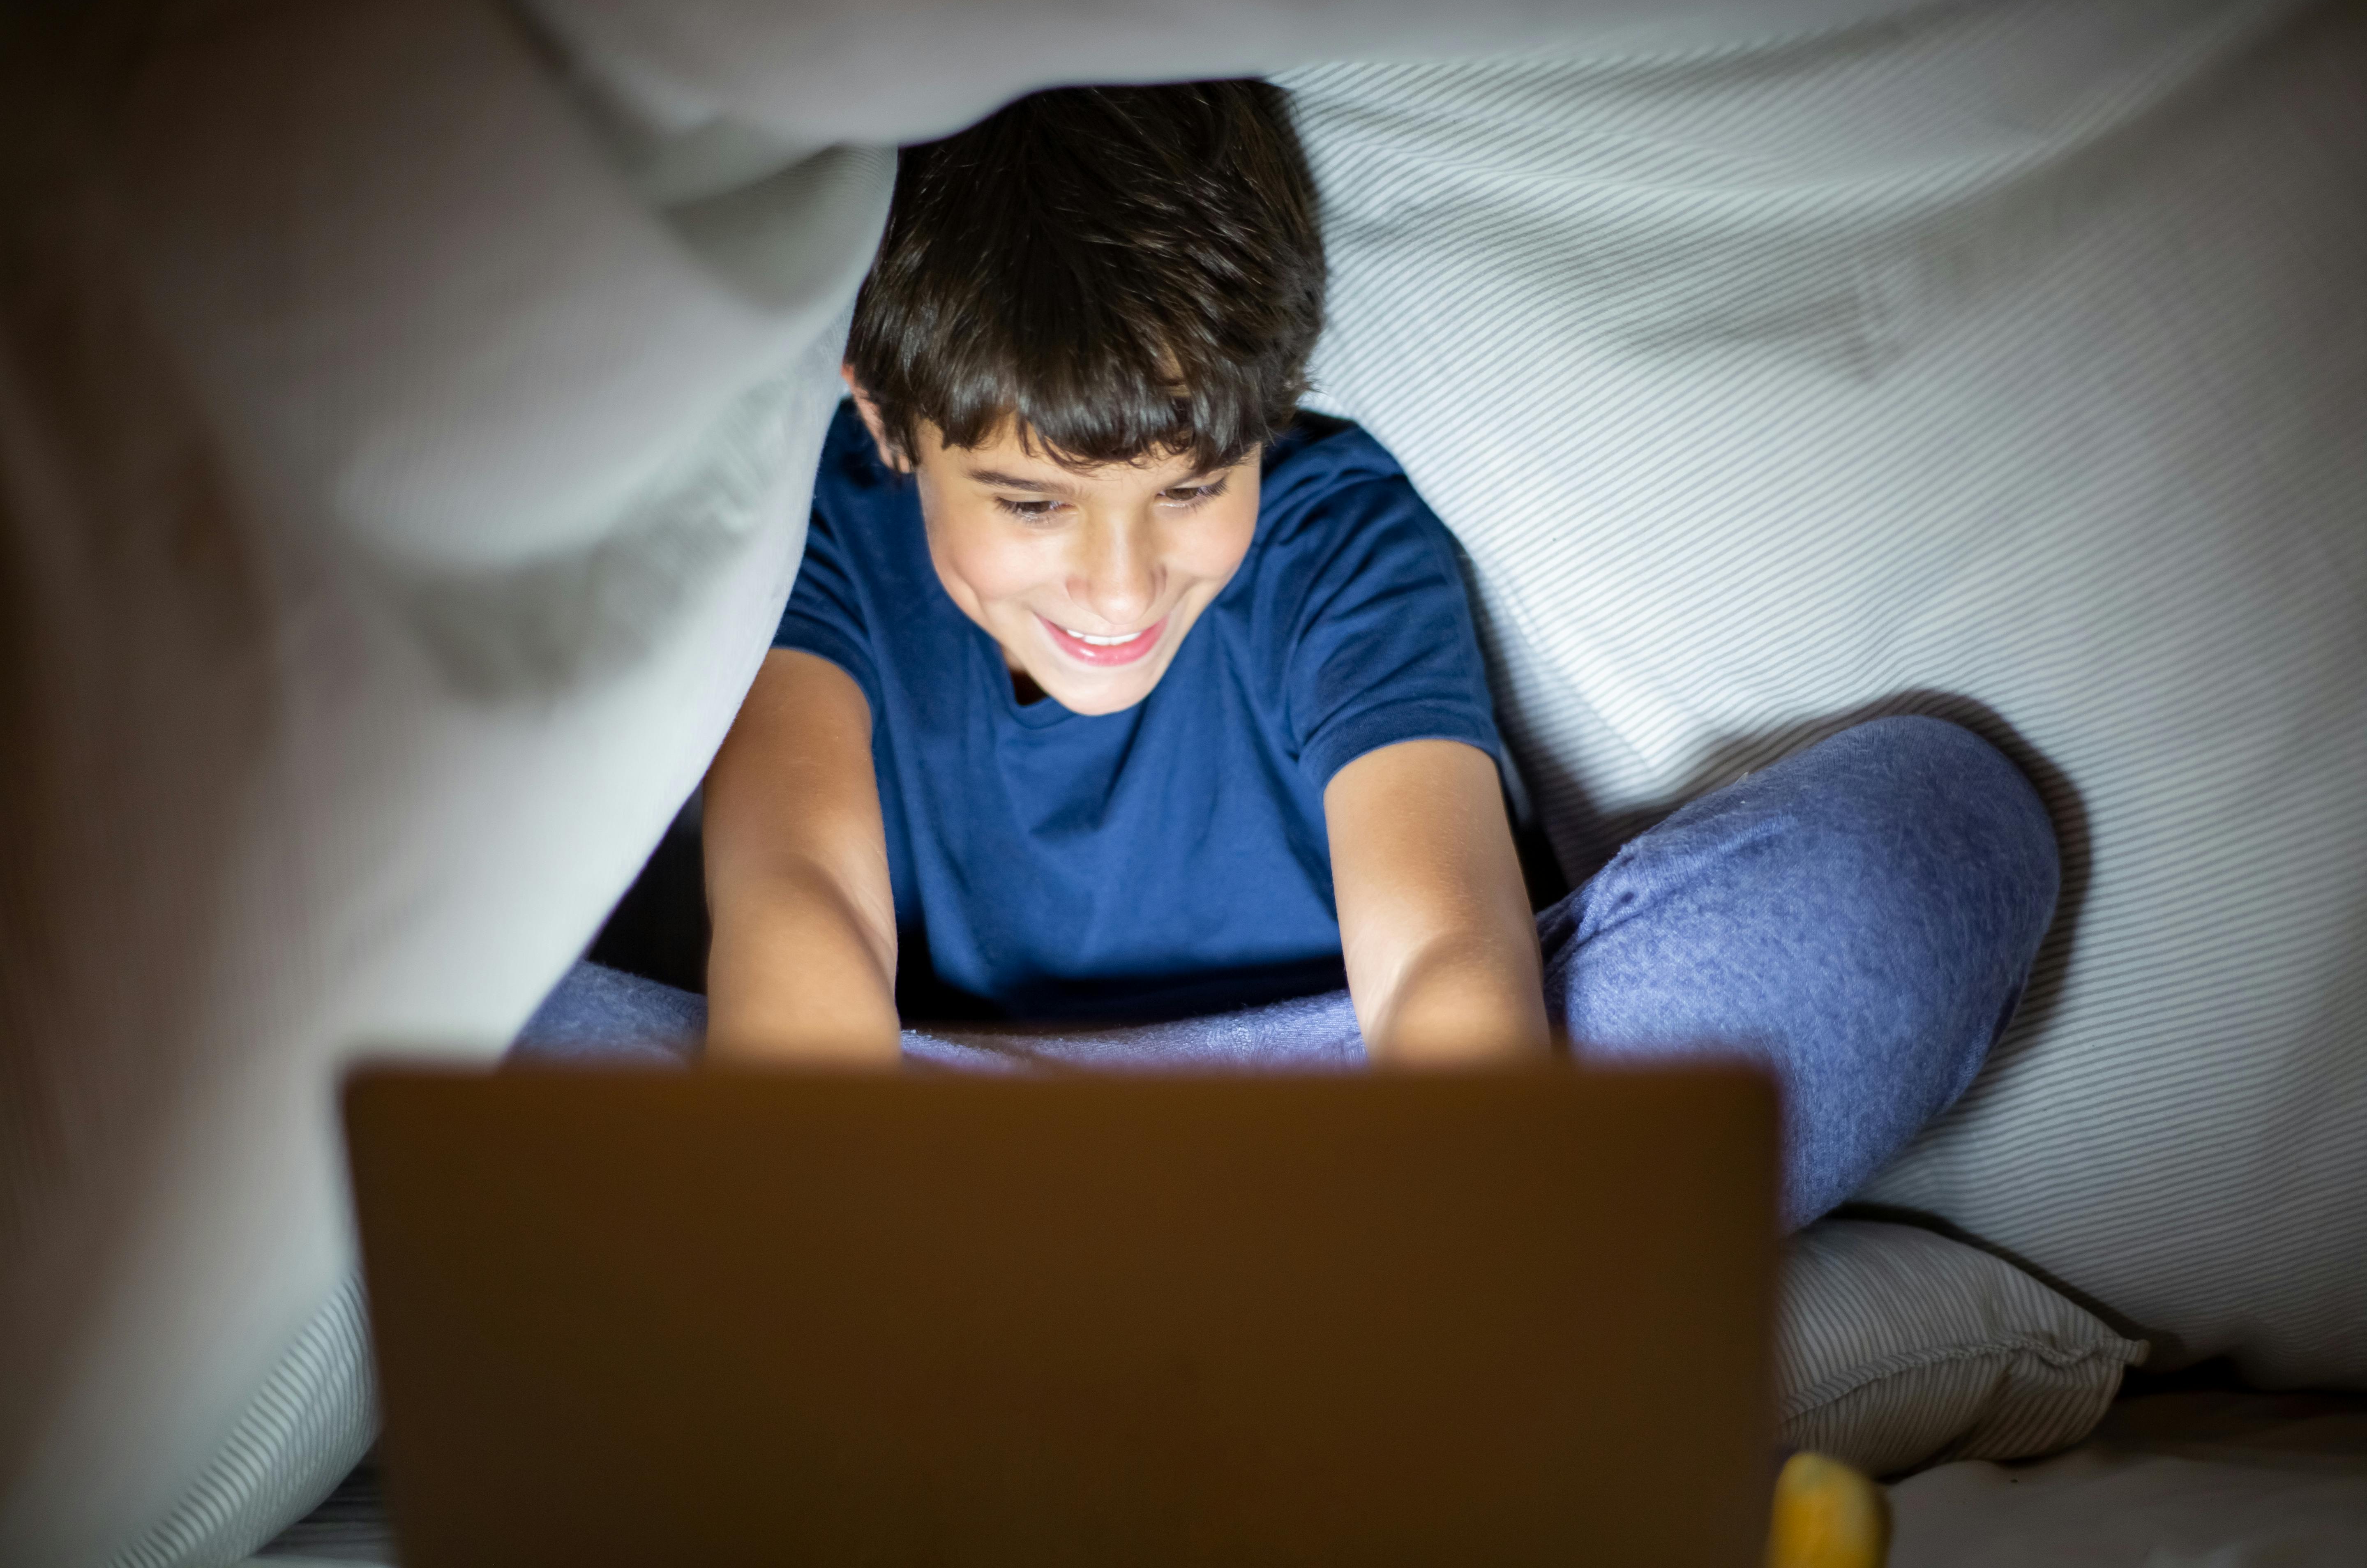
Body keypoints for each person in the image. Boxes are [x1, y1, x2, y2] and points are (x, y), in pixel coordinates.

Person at [521, 79, 2059, 1226]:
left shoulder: (1334, 533)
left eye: (1194, 486)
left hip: (1357, 1138)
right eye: (1032, 501)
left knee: (1926, 845)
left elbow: (1448, 953)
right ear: (883, 416)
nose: (1119, 585)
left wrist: (1460, 1238)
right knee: (478, 1033)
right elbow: (802, 915)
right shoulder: (831, 537)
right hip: (926, 1140)